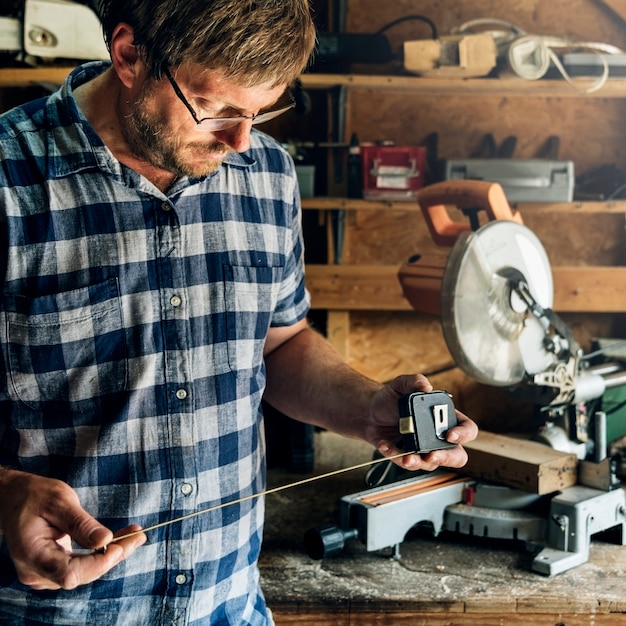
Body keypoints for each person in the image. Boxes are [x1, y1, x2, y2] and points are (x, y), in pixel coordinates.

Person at [0, 0, 478, 623]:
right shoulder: (11, 176)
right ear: (128, 55)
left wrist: (367, 408)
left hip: (227, 605)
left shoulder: (267, 173)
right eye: (218, 108)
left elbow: (279, 344)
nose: (241, 139)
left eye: (262, 110)